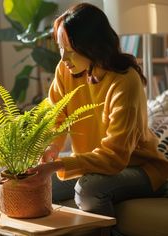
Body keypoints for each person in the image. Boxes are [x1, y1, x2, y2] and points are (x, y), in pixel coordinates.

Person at [27, 2, 168, 222]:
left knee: (88, 190)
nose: (63, 58)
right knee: (32, 186)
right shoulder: (66, 70)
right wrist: (50, 150)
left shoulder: (125, 81)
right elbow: (57, 117)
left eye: (71, 51)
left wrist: (60, 164)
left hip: (143, 170)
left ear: (92, 47)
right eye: (60, 48)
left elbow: (115, 157)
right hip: (93, 167)